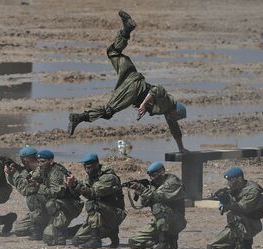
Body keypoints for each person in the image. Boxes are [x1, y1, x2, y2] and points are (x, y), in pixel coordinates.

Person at [67, 9, 189, 153]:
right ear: (175, 111)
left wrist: (181, 149)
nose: (174, 119)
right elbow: (156, 89)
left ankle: (127, 29)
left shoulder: (169, 114)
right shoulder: (168, 102)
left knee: (113, 52)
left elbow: (176, 132)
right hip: (134, 90)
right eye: (176, 117)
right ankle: (78, 118)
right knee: (108, 111)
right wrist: (143, 105)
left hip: (132, 76)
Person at [65, 153, 126, 249]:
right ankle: (111, 233)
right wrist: (72, 185)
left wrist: (76, 185)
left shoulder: (109, 177)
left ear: (96, 165)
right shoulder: (89, 177)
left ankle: (95, 239)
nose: (87, 170)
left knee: (92, 203)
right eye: (85, 167)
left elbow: (92, 193)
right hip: (101, 214)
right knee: (77, 240)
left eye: (89, 168)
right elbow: (79, 192)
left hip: (115, 213)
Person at [207, 167, 263, 249]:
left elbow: (243, 208)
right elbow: (225, 208)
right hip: (239, 226)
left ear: (239, 179)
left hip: (252, 224)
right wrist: (222, 199)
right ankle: (242, 245)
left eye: (231, 180)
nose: (229, 183)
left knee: (233, 215)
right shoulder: (235, 188)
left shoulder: (253, 191)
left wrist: (227, 200)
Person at [127, 162, 186, 249]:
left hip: (176, 220)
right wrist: (141, 190)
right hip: (159, 222)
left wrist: (142, 189)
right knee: (134, 242)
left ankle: (163, 243)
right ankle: (162, 242)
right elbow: (144, 203)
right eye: (150, 176)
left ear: (162, 172)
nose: (152, 178)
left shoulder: (173, 182)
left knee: (157, 206)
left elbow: (158, 197)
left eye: (154, 175)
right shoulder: (154, 184)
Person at [29, 150, 83, 246]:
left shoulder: (56, 173)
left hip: (70, 204)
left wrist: (38, 186)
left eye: (42, 161)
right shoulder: (44, 169)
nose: (40, 164)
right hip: (59, 204)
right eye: (38, 162)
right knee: (33, 198)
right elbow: (34, 175)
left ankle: (66, 232)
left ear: (51, 161)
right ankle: (52, 227)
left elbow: (56, 192)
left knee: (49, 238)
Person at [4, 146, 45, 239]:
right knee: (19, 229)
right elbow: (21, 179)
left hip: (48, 208)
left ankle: (43, 226)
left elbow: (25, 190)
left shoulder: (38, 172)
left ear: (24, 161)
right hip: (43, 208)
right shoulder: (33, 169)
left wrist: (13, 174)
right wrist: (14, 171)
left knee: (32, 198)